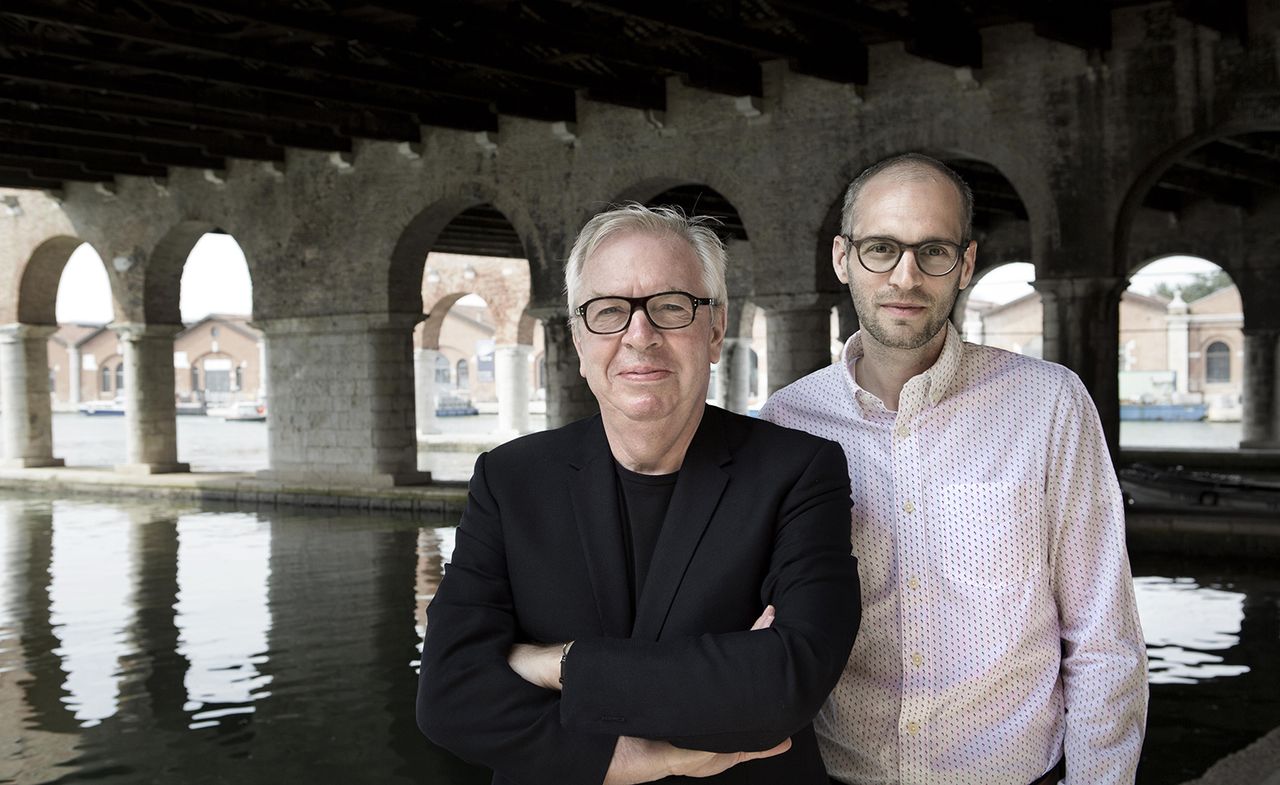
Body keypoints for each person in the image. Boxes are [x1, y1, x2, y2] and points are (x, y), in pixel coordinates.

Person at [417, 204, 861, 785]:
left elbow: (781, 689)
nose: (640, 336)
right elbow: (448, 697)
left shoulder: (799, 471)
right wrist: (632, 758)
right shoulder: (510, 479)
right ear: (578, 340)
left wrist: (554, 663)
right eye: (608, 312)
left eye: (671, 307)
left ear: (716, 328)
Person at [761, 153, 1148, 785]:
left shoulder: (1049, 404)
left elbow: (1103, 638)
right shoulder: (786, 422)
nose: (906, 277)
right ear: (842, 258)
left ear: (965, 263)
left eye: (933, 251)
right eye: (881, 248)